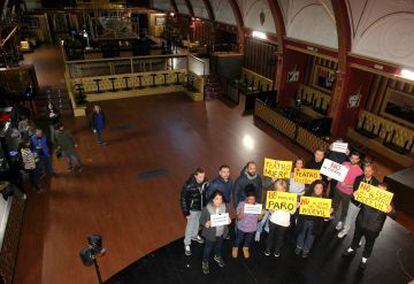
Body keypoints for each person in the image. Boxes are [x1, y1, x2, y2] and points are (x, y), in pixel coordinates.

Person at [343, 183, 396, 270]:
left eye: (382, 191)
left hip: (373, 228)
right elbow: (355, 201)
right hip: (361, 223)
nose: (379, 191)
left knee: (369, 244)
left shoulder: (388, 202)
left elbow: (394, 215)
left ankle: (364, 259)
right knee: (356, 237)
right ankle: (352, 248)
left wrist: (391, 211)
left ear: (386, 192)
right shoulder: (367, 194)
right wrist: (354, 195)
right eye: (378, 189)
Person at [337, 162, 379, 238]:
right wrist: (354, 192)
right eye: (365, 171)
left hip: (366, 206)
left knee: (362, 223)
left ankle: (359, 237)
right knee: (349, 217)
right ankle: (345, 230)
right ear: (363, 170)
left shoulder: (376, 183)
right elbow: (355, 189)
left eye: (369, 171)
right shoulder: (358, 178)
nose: (367, 173)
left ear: (373, 171)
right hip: (355, 202)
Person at [295, 180, 328, 258]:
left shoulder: (325, 199)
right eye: (317, 188)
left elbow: (326, 215)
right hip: (304, 220)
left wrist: (329, 212)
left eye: (321, 188)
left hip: (315, 222)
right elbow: (299, 209)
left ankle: (306, 250)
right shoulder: (306, 196)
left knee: (311, 236)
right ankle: (299, 246)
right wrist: (298, 206)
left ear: (323, 189)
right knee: (301, 234)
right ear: (313, 188)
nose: (319, 190)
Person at [200, 190, 231, 274]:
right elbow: (201, 220)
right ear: (212, 199)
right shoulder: (207, 209)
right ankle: (205, 261)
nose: (219, 201)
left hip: (221, 233)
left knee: (219, 246)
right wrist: (206, 223)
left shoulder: (225, 207)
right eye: (217, 199)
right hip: (210, 234)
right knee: (208, 248)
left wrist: (228, 220)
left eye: (221, 199)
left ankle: (217, 256)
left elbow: (227, 217)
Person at [180, 168, 209, 256]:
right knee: (190, 225)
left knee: (197, 222)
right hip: (192, 209)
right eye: (200, 177)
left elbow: (206, 193)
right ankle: (187, 243)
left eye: (203, 176)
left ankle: (194, 235)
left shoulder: (205, 182)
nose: (202, 178)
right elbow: (183, 199)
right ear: (195, 176)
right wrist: (186, 213)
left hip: (201, 207)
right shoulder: (188, 185)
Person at [333, 152, 363, 231]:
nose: (353, 160)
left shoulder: (360, 172)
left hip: (347, 193)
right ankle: (332, 215)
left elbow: (358, 186)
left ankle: (340, 221)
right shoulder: (344, 163)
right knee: (335, 204)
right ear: (350, 158)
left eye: (356, 159)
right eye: (352, 158)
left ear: (358, 160)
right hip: (338, 188)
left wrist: (347, 185)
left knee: (344, 209)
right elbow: (337, 174)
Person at [264, 179, 295, 258]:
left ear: (285, 188)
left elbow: (292, 212)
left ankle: (277, 250)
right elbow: (270, 211)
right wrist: (273, 209)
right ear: (276, 189)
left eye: (283, 189)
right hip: (273, 220)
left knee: (280, 237)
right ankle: (268, 249)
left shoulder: (290, 198)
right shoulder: (273, 196)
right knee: (270, 236)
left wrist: (295, 207)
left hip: (284, 222)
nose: (281, 191)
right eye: (278, 189)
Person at [232, 187, 260, 259]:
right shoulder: (241, 204)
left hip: (252, 228)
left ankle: (245, 248)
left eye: (253, 199)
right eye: (250, 199)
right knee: (239, 239)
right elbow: (238, 218)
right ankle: (235, 248)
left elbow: (258, 219)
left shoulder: (257, 206)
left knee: (248, 240)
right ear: (246, 198)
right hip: (242, 227)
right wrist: (241, 212)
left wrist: (261, 215)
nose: (251, 201)